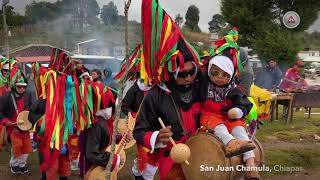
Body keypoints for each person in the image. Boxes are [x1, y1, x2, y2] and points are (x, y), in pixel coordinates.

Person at [200, 53, 259, 179]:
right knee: (219, 127)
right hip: (210, 116)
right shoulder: (204, 86)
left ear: (231, 75)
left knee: (239, 129)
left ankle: (250, 163)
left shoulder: (234, 89)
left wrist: (238, 111)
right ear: (209, 72)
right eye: (215, 73)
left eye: (225, 74)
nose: (219, 78)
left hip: (228, 117)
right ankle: (231, 143)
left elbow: (244, 104)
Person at [121, 79, 157, 180]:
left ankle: (147, 176)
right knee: (143, 151)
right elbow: (124, 106)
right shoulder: (136, 88)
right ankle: (138, 174)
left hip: (156, 126)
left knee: (154, 154)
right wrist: (133, 115)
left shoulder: (159, 87)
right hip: (141, 126)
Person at [0, 77, 32, 175]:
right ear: (15, 86)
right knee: (17, 146)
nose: (22, 89)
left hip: (25, 126)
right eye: (19, 87)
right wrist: (6, 121)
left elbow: (31, 108)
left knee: (26, 146)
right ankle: (14, 164)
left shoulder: (27, 95)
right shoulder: (6, 97)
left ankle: (22, 164)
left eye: (24, 87)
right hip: (13, 127)